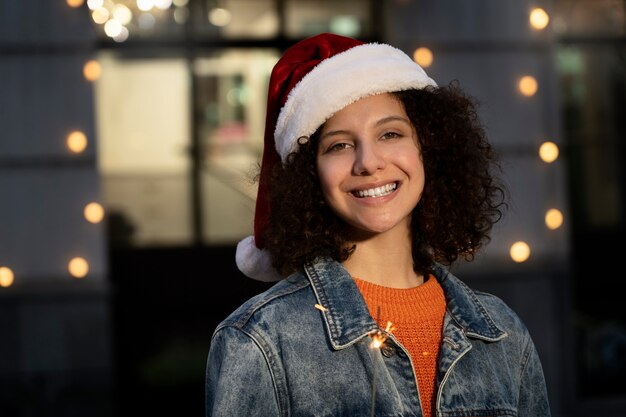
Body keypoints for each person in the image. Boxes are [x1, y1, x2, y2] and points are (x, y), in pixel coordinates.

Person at [205, 32, 551, 417]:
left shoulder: (502, 333)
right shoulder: (260, 341)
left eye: (390, 134)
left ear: (429, 149)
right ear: (309, 176)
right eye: (339, 145)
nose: (368, 162)